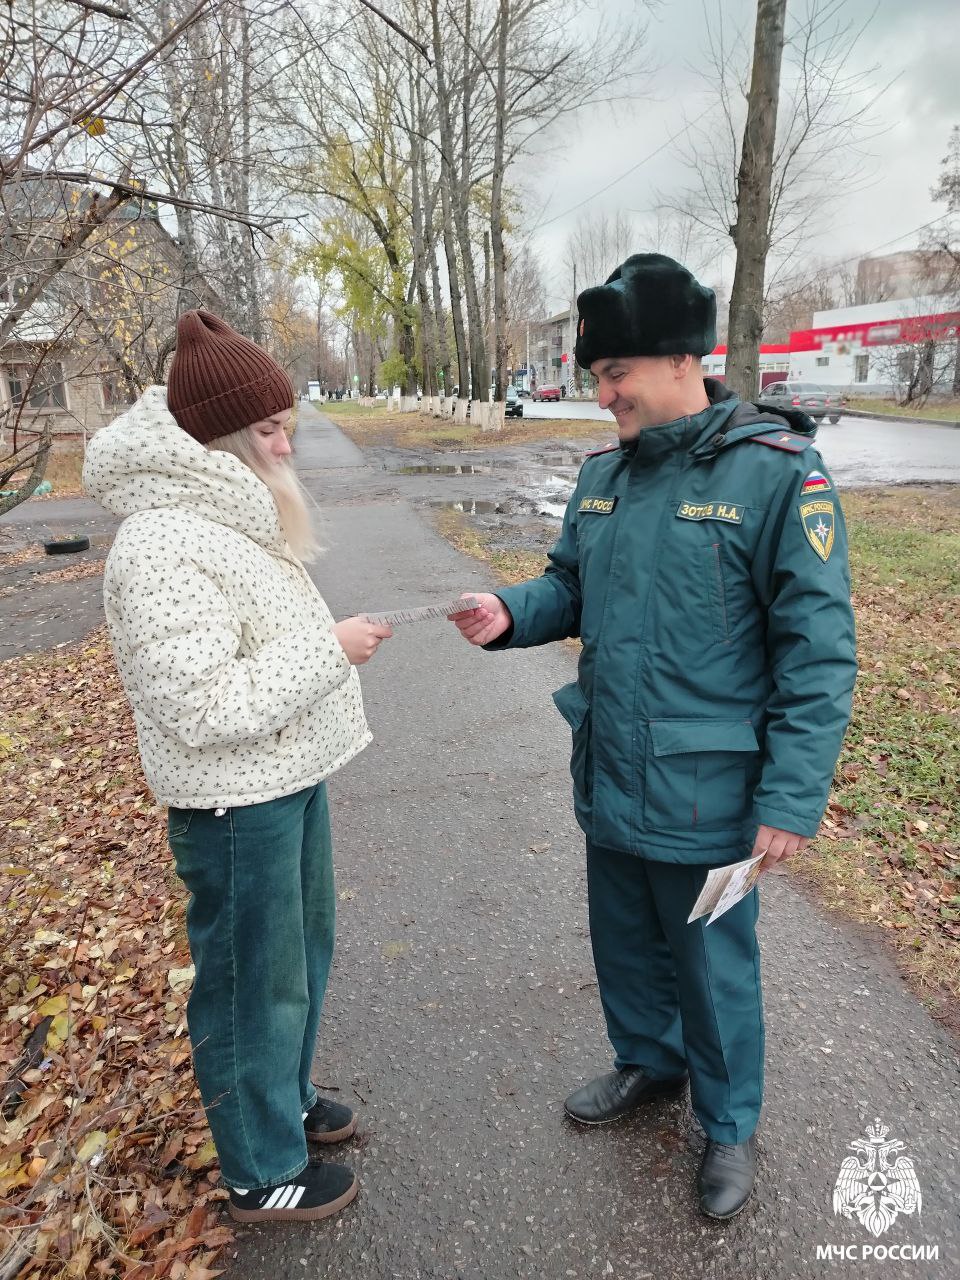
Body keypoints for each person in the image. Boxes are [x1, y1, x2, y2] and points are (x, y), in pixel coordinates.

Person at [451, 254, 857, 1219]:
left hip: (710, 795)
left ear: (682, 359)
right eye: (597, 377)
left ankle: (727, 1125)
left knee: (713, 970)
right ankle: (650, 1065)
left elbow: (818, 655)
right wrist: (512, 610)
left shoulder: (777, 476)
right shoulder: (605, 477)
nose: (603, 396)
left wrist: (792, 798)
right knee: (626, 946)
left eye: (613, 373)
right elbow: (570, 587)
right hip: (613, 771)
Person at [83, 311, 392, 1224]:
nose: (285, 440)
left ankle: (282, 1101)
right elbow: (201, 705)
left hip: (288, 779)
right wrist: (329, 650)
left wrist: (325, 650)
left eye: (284, 420)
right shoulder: (160, 542)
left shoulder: (229, 514)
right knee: (249, 981)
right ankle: (260, 1168)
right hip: (231, 805)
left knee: (298, 960)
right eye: (267, 428)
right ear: (218, 437)